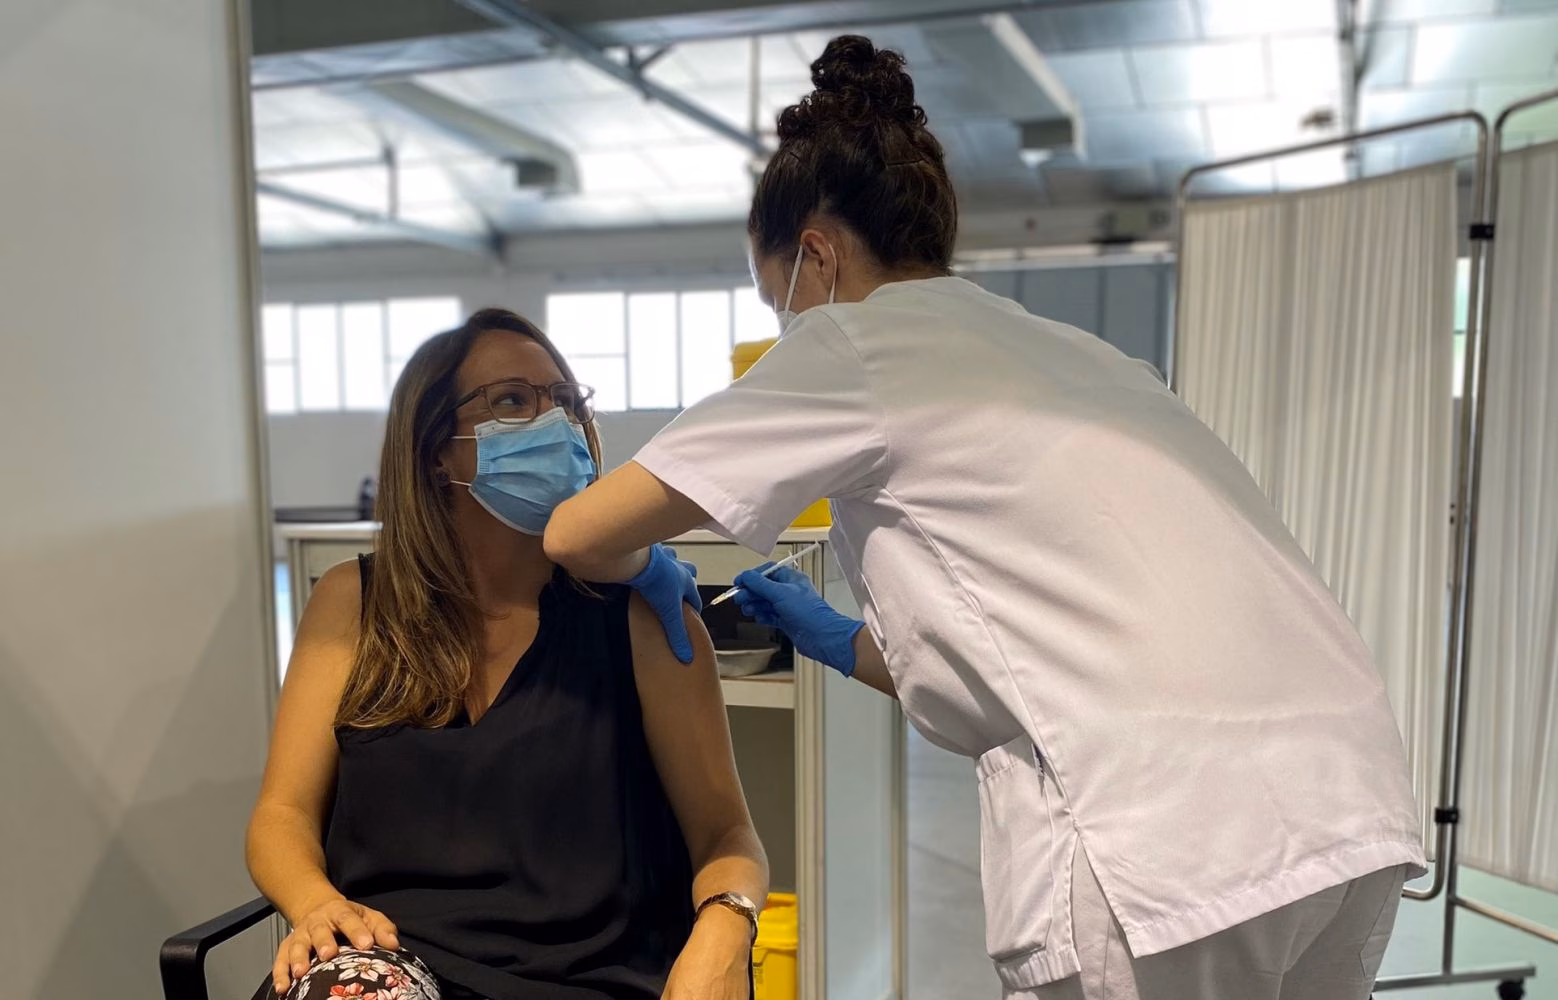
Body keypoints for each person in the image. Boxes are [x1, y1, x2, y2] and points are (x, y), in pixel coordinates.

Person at [541, 35, 1427, 1000]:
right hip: (1347, 802)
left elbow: (576, 531)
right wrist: (840, 640)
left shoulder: (850, 339)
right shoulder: (1081, 355)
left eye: (779, 302)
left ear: (816, 256)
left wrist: (646, 565)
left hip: (1170, 836)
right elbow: (1040, 639)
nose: (789, 325)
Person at [246, 308, 766, 1000]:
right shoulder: (355, 605)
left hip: (591, 981)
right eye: (513, 401)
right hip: (391, 964)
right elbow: (281, 815)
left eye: (568, 402)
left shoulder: (644, 621)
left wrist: (727, 926)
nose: (555, 423)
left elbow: (726, 831)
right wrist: (315, 903)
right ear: (436, 449)